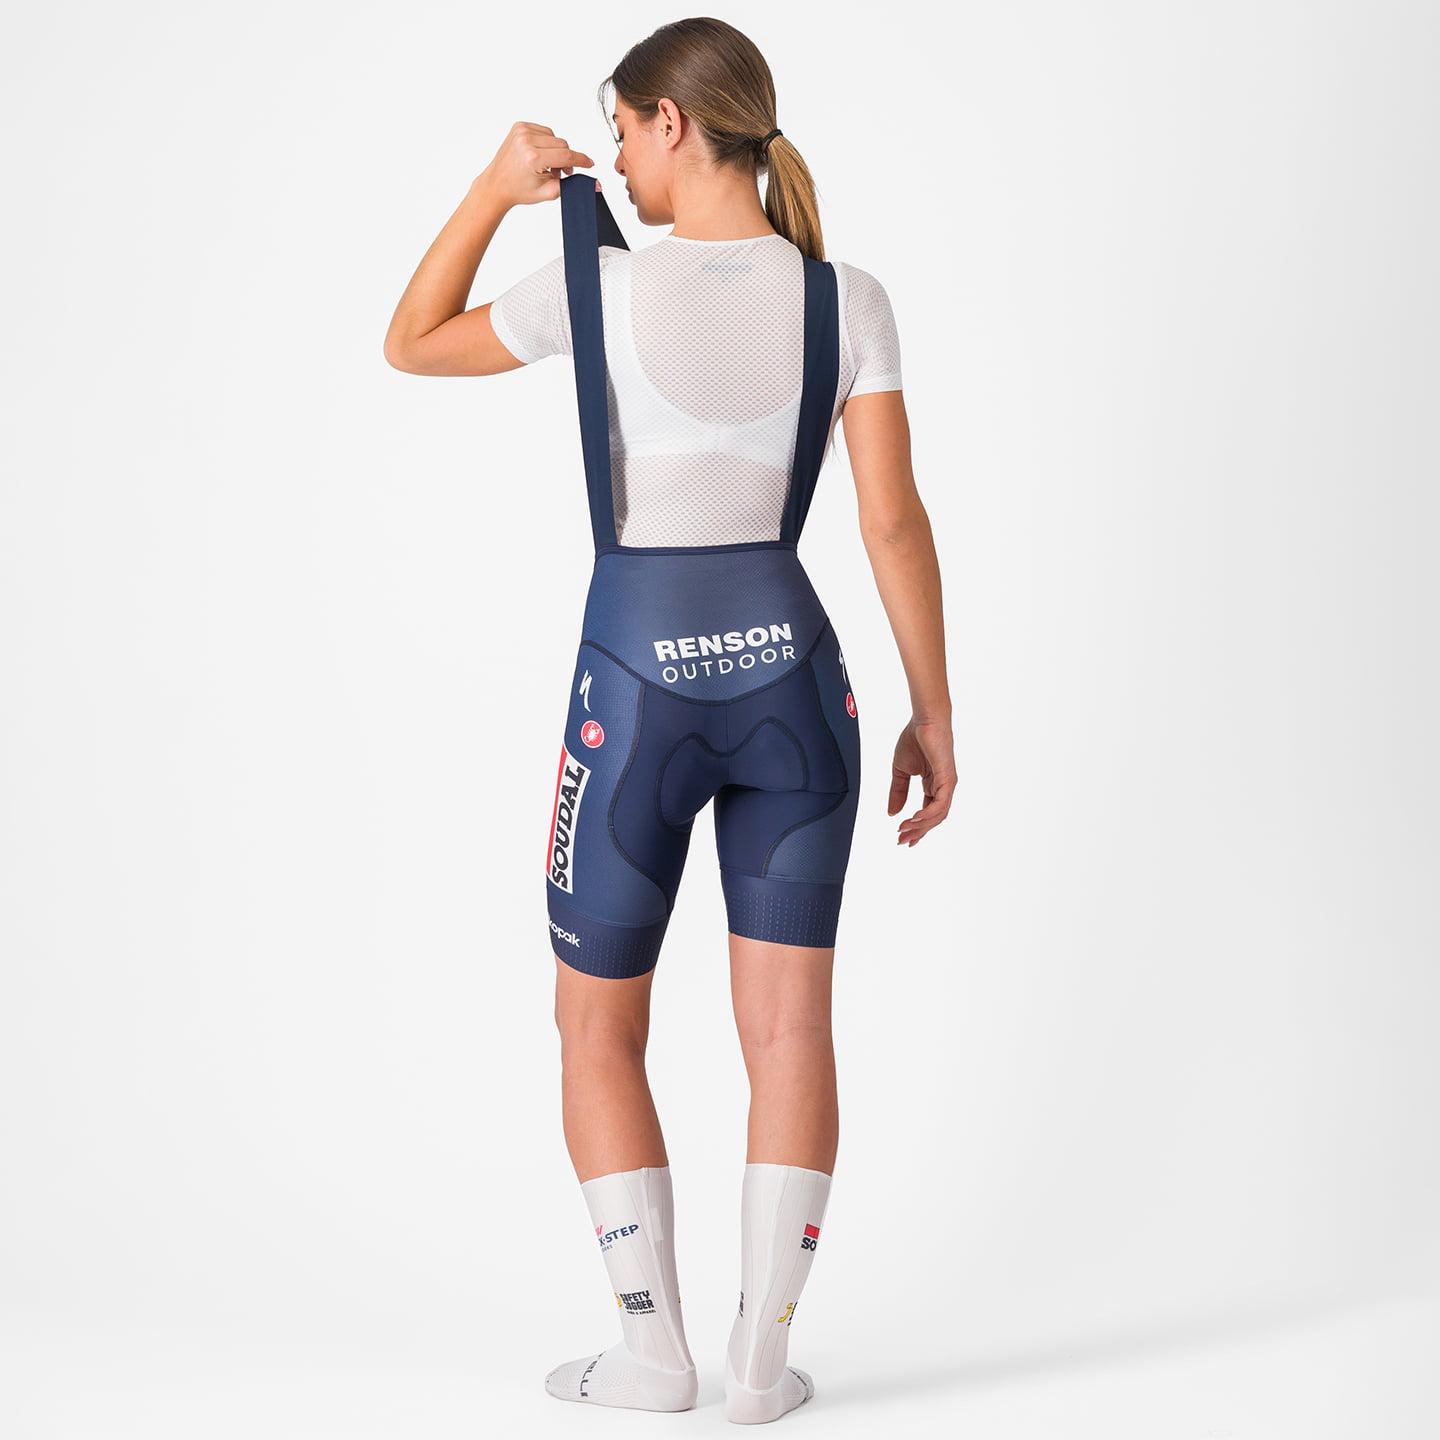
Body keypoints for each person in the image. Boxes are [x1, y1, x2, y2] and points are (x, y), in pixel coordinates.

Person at [384, 17, 954, 1424]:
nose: (621, 162)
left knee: (594, 1027)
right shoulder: (847, 299)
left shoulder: (591, 289)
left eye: (624, 131)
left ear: (673, 124)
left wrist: (493, 188)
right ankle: (762, 1365)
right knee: (792, 1033)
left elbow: (412, 342)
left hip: (636, 691)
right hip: (796, 688)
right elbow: (890, 520)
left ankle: (653, 1355)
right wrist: (933, 710)